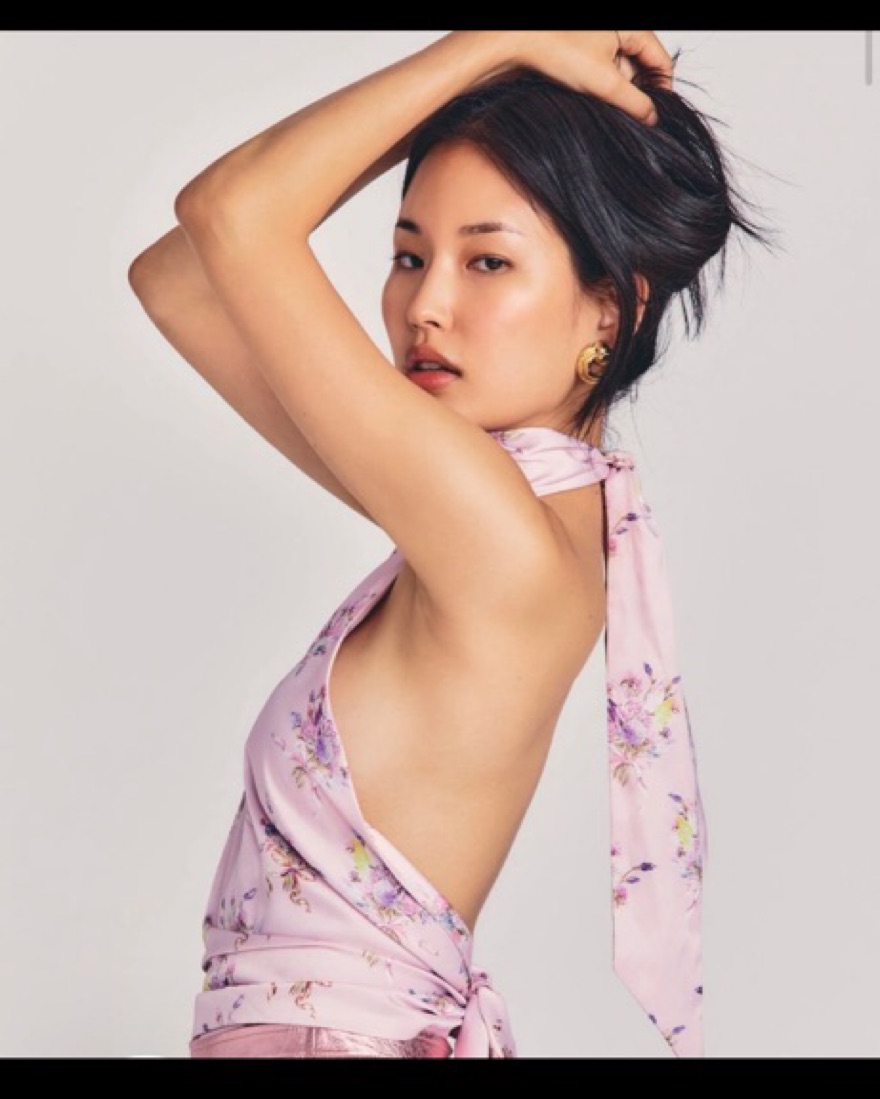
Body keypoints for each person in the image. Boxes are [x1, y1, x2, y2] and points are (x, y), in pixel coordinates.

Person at [128, 31, 769, 1058]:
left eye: (487, 261)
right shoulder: (487, 512)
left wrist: (495, 44)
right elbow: (180, 276)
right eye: (408, 254)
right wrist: (484, 82)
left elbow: (230, 216)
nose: (424, 306)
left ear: (610, 307)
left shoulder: (495, 532)